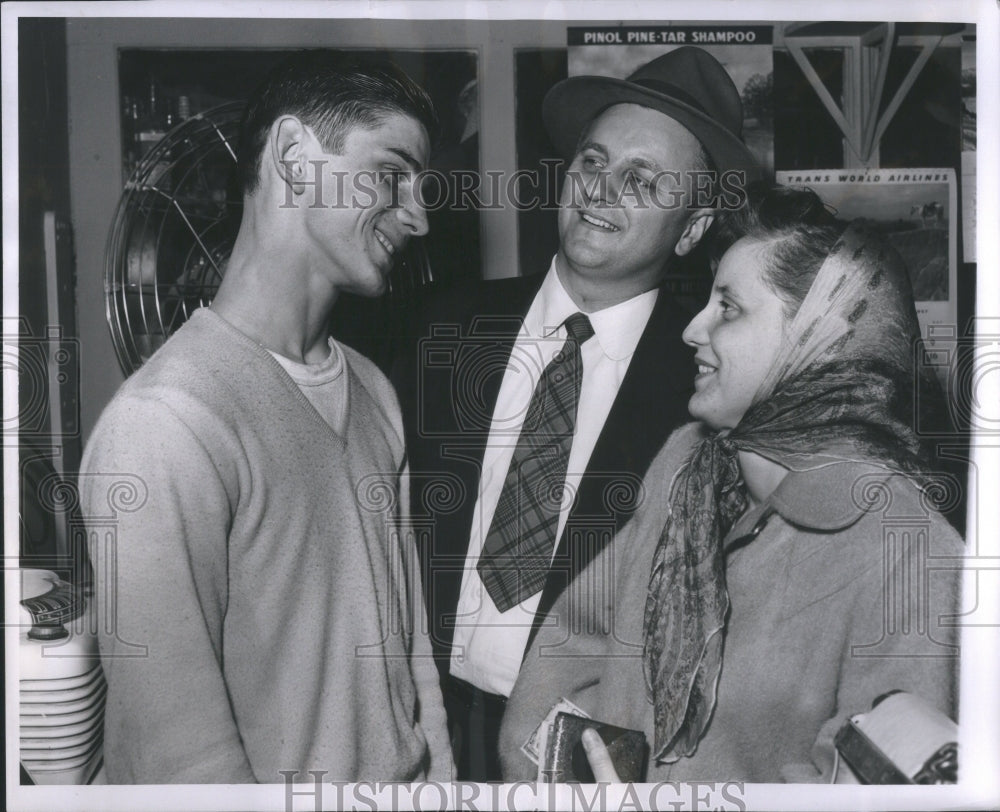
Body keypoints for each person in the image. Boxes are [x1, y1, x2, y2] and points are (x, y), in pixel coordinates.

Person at [498, 185, 964, 782]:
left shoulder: (910, 550)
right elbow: (570, 649)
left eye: (729, 308)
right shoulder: (685, 467)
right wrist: (567, 784)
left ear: (821, 339)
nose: (692, 328)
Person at [80, 52, 452, 783]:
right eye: (391, 173)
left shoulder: (373, 390)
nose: (419, 215)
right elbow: (179, 762)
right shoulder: (165, 423)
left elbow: (411, 667)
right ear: (292, 157)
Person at [391, 46, 760, 779]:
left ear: (690, 230)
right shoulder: (442, 327)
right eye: (592, 163)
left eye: (640, 180)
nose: (600, 190)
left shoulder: (710, 393)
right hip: (412, 727)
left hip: (575, 756)